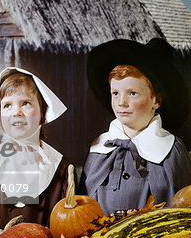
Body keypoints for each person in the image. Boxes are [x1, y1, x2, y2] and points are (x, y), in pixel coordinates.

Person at [78, 38, 191, 215]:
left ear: (156, 100)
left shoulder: (172, 150)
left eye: (132, 93)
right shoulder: (99, 147)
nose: (121, 102)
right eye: (115, 93)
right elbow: (79, 213)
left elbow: (183, 211)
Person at [0, 67, 73, 238]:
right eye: (7, 105)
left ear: (43, 112)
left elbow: (69, 223)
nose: (16, 112)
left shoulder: (61, 166)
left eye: (25, 103)